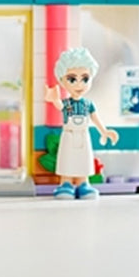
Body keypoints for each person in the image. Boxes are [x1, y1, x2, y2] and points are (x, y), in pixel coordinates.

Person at [44, 47, 118, 200]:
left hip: (84, 135)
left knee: (84, 160)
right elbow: (59, 105)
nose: (79, 85)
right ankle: (66, 183)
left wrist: (104, 131)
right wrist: (54, 99)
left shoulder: (88, 104)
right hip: (69, 136)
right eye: (72, 79)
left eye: (85, 79)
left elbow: (95, 118)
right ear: (62, 80)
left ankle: (83, 183)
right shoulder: (67, 104)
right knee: (67, 159)